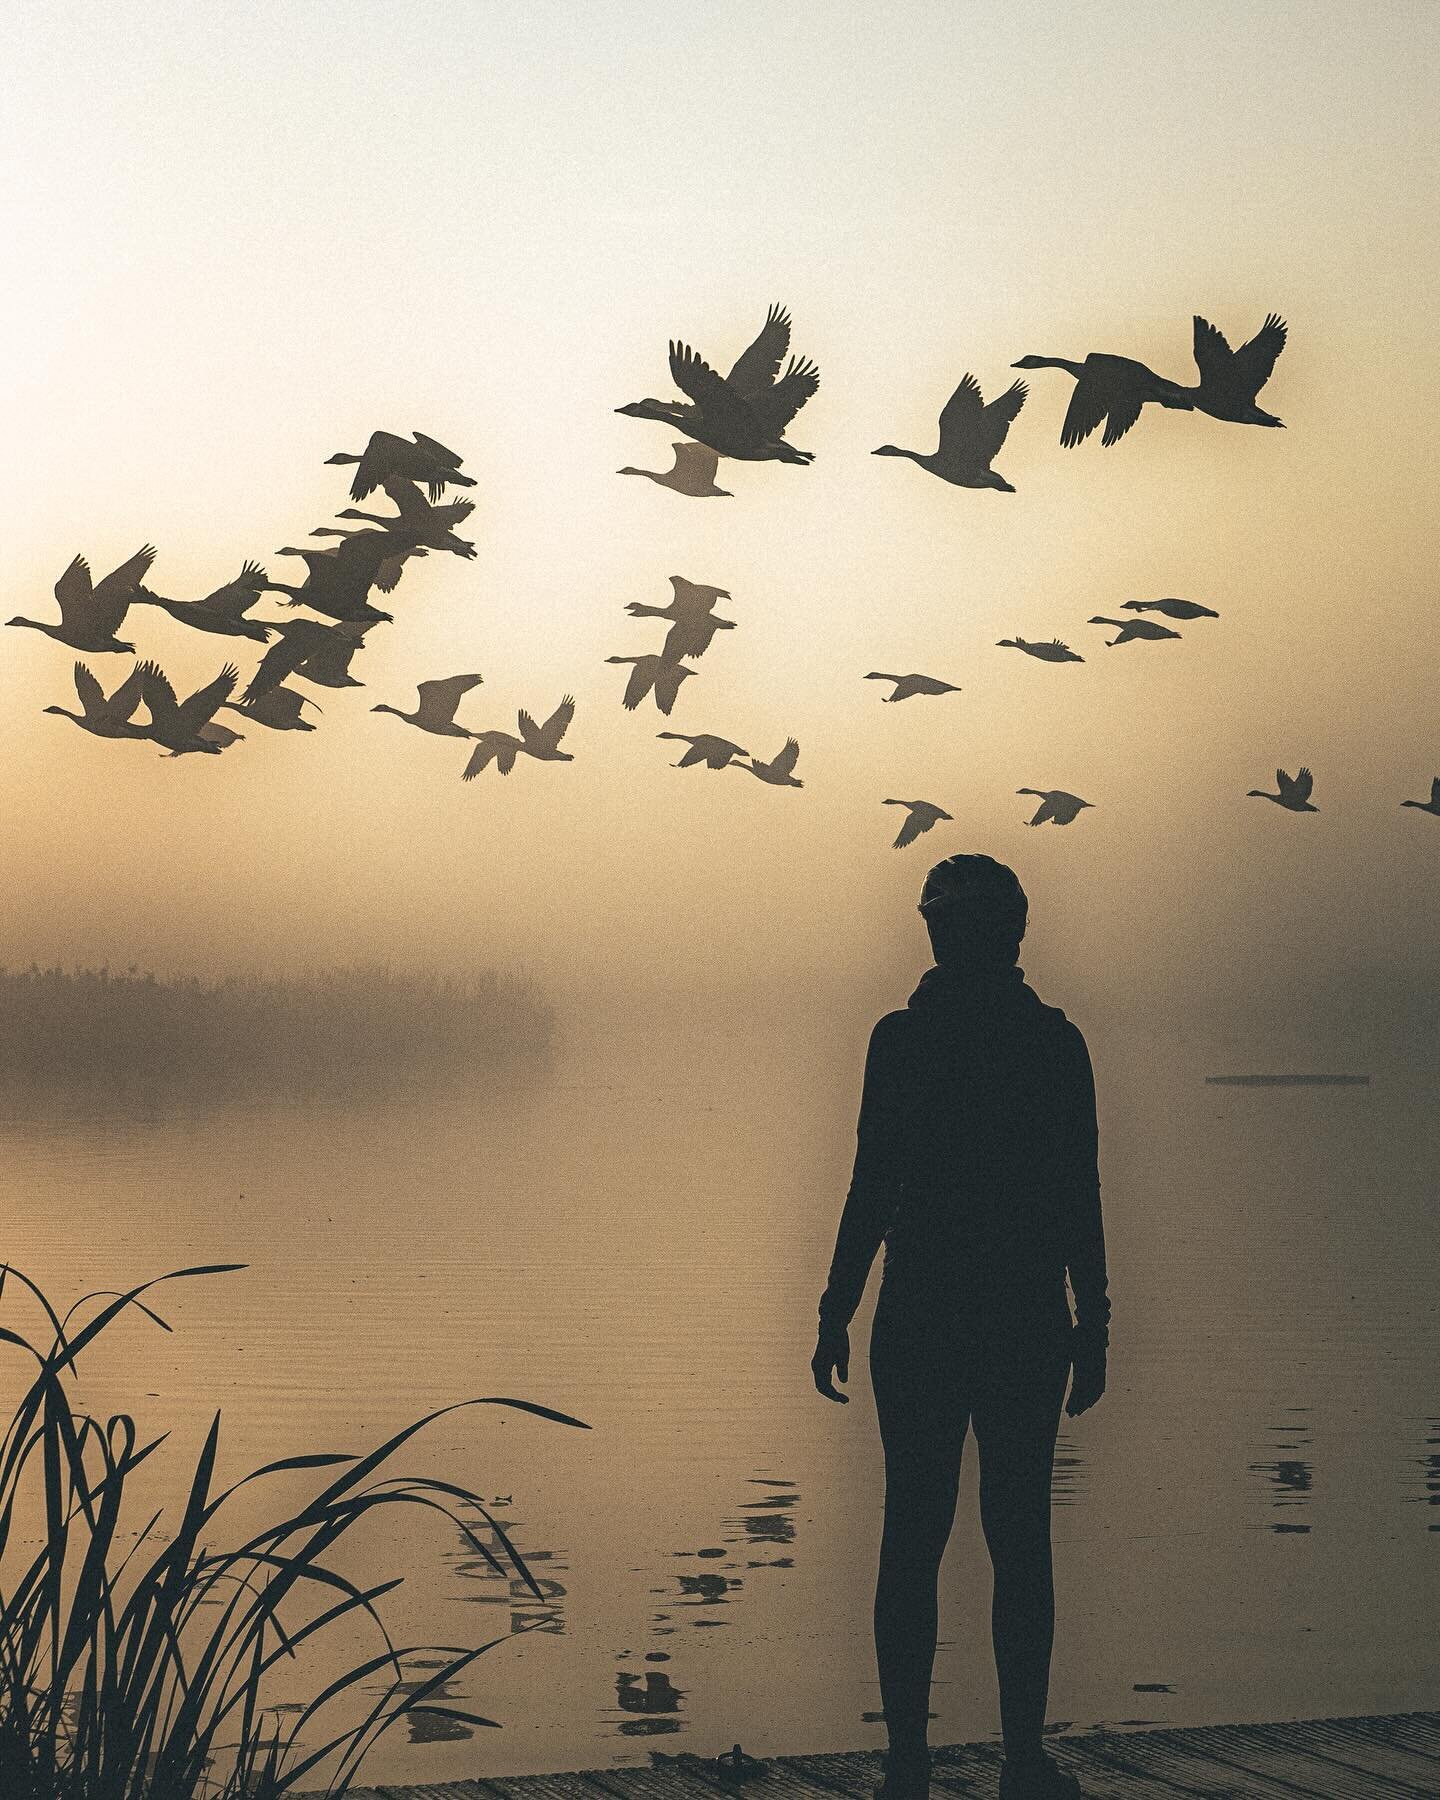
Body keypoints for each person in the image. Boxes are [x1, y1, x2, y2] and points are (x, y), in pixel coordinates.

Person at [812, 854, 1110, 1800]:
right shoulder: (1053, 1044)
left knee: (918, 1530)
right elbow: (1078, 1197)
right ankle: (1018, 1752)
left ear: (943, 934)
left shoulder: (905, 1042)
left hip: (929, 1317)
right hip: (1020, 1318)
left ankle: (912, 1757)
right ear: (1012, 935)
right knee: (1016, 1534)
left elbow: (873, 1184)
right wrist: (1093, 1321)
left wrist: (837, 1306)